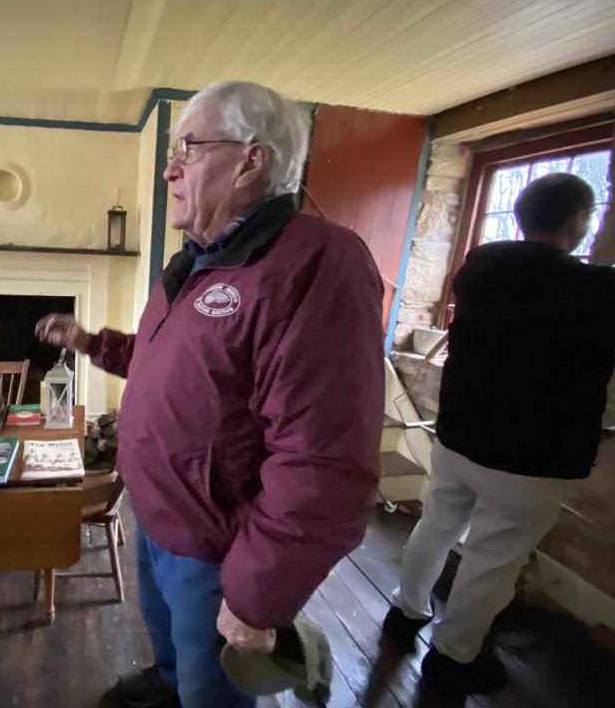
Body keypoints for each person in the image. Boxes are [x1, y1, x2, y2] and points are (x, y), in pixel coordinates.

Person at [36, 81, 384, 708]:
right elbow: (169, 366)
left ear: (253, 158)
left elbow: (324, 462)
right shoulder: (198, 261)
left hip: (216, 547)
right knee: (172, 646)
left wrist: (258, 598)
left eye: (189, 148)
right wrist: (91, 342)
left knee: (215, 691)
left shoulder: (315, 262)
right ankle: (170, 682)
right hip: (156, 516)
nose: (170, 167)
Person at [383, 173, 615, 694]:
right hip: (531, 456)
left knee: (438, 525)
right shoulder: (596, 290)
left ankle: (405, 612)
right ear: (579, 221)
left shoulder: (480, 270)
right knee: (492, 559)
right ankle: (453, 658)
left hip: (461, 434)